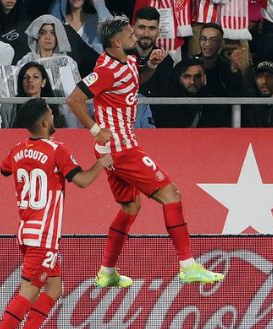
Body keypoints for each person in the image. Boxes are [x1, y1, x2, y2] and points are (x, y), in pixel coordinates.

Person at [67, 16, 225, 288]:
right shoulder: (104, 69)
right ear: (117, 41)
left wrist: (151, 65)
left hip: (118, 147)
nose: (135, 34)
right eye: (130, 31)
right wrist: (94, 129)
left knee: (130, 207)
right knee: (171, 194)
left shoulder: (127, 61)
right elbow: (74, 99)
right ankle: (187, 266)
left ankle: (107, 271)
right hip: (120, 148)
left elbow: (135, 80)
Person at [0, 98, 114, 329]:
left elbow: (4, 169)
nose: (54, 116)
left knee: (54, 287)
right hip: (44, 233)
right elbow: (82, 181)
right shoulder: (56, 150)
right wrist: (101, 163)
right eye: (51, 113)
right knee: (30, 289)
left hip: (27, 229)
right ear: (44, 122)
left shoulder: (17, 149)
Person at [153, 58, 231, 128]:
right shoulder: (165, 108)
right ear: (177, 78)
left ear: (204, 79)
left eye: (197, 76)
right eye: (187, 77)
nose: (192, 82)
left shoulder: (215, 108)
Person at [16, 15, 83, 90]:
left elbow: (77, 91)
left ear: (58, 37)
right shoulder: (26, 61)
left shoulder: (67, 62)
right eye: (42, 33)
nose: (48, 37)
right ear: (37, 36)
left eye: (53, 33)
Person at [0, 61, 70, 128]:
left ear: (43, 82)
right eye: (25, 77)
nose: (30, 80)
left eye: (35, 77)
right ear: (21, 83)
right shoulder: (9, 107)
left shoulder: (56, 106)